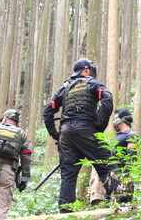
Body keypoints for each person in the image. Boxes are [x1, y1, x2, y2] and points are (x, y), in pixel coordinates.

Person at [43, 58, 118, 213]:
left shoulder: (64, 88)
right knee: (107, 166)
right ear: (86, 70)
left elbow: (48, 110)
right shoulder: (92, 84)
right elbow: (107, 98)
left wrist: (56, 134)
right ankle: (122, 203)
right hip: (86, 130)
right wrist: (99, 125)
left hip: (66, 135)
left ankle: (65, 213)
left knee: (68, 176)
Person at [89, 108, 139, 204]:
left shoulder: (131, 135)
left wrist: (125, 175)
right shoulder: (118, 136)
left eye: (116, 118)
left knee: (121, 202)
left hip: (120, 175)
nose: (114, 121)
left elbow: (132, 155)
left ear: (123, 119)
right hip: (110, 175)